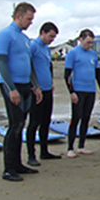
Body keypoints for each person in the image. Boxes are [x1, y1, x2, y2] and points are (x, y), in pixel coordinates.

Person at [0, 2, 43, 181]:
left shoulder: (24, 38)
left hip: (25, 85)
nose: (31, 22)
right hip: (11, 85)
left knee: (21, 124)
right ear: (18, 16)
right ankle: (8, 168)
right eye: (29, 18)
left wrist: (36, 86)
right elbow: (1, 63)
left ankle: (17, 164)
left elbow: (29, 64)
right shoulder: (5, 35)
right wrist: (11, 88)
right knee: (14, 125)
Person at [64, 29, 100, 158]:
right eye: (88, 42)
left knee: (86, 118)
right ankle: (70, 148)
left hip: (90, 90)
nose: (90, 45)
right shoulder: (73, 54)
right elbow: (67, 75)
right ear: (80, 40)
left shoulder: (93, 55)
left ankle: (81, 146)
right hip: (78, 90)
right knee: (76, 118)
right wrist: (72, 92)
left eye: (91, 43)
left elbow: (98, 74)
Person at [25, 22, 61, 167]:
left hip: (47, 89)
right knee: (34, 122)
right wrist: (33, 86)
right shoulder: (33, 45)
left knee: (46, 121)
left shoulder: (46, 49)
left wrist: (51, 82)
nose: (52, 39)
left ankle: (44, 151)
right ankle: (30, 155)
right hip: (36, 91)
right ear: (43, 33)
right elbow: (28, 66)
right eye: (51, 36)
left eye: (54, 37)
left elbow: (48, 66)